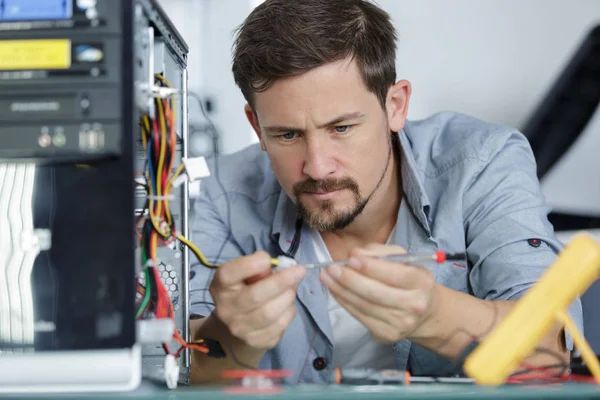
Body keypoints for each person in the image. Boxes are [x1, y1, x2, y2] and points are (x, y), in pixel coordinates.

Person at [188, 0, 582, 385]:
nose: (318, 166)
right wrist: (231, 333)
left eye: (341, 128)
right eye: (287, 135)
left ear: (395, 105)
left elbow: (550, 355)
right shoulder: (223, 193)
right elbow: (180, 369)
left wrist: (432, 316)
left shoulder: (482, 162)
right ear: (257, 127)